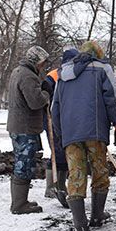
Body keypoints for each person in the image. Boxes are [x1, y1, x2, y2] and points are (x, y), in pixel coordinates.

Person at [52, 41, 116, 231]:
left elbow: (55, 107)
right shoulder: (102, 69)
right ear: (97, 53)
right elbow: (113, 98)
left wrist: (60, 133)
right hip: (95, 131)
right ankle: (97, 216)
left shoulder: (63, 73)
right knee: (99, 170)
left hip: (70, 133)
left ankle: (80, 222)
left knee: (76, 172)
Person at [6, 45, 51, 215]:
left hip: (18, 125)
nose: (43, 66)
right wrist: (46, 93)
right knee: (23, 164)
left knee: (22, 161)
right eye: (42, 63)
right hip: (25, 127)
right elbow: (35, 102)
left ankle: (21, 200)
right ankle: (19, 205)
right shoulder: (28, 76)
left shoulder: (18, 71)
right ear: (35, 61)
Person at [43, 48, 78, 202]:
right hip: (52, 118)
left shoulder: (73, 74)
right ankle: (51, 187)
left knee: (64, 152)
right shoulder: (53, 76)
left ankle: (61, 186)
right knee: (57, 152)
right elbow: (45, 92)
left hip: (66, 118)